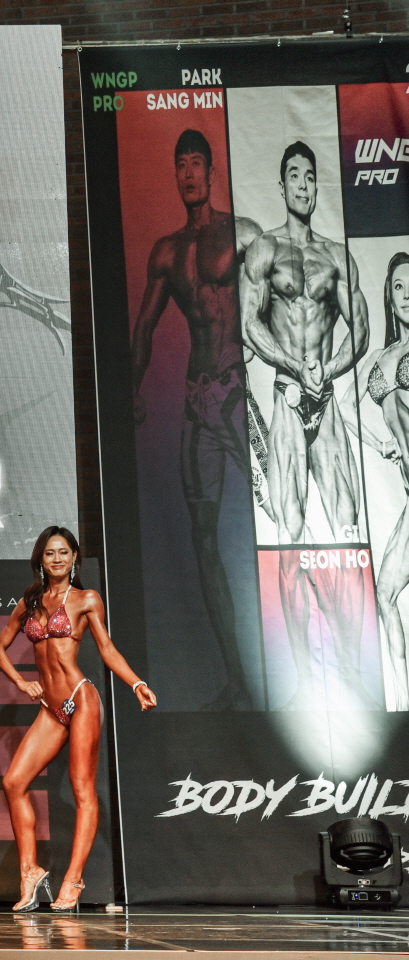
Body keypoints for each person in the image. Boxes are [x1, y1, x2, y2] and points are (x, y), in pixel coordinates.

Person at [130, 129, 262, 710]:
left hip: (238, 394)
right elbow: (144, 328)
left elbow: (282, 296)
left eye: (195, 163)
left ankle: (311, 675)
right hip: (196, 401)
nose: (188, 174)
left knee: (286, 520)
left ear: (211, 171)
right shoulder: (166, 251)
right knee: (201, 537)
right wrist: (131, 387)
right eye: (179, 164)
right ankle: (237, 681)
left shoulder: (241, 234)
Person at [240, 141, 371, 709]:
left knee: (348, 531)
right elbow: (248, 324)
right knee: (290, 540)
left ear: (317, 186)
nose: (302, 184)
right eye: (293, 175)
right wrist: (296, 368)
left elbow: (360, 327)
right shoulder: (264, 250)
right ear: (282, 185)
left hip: (327, 397)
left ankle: (352, 672)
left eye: (310, 176)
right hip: (290, 399)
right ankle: (301, 679)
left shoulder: (335, 256)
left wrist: (330, 369)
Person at [0, 526, 156, 912]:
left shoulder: (86, 599)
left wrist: (136, 683)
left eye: (63, 552)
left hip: (80, 700)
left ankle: (74, 879)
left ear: (74, 557)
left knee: (82, 789)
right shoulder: (30, 602)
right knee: (14, 782)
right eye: (50, 553)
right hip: (51, 708)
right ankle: (30, 872)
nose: (57, 559)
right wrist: (21, 682)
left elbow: (107, 648)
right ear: (40, 559)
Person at [351, 252, 409, 709]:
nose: (406, 294)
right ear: (389, 296)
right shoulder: (382, 357)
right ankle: (404, 702)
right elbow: (343, 407)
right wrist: (382, 444)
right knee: (384, 593)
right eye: (398, 286)